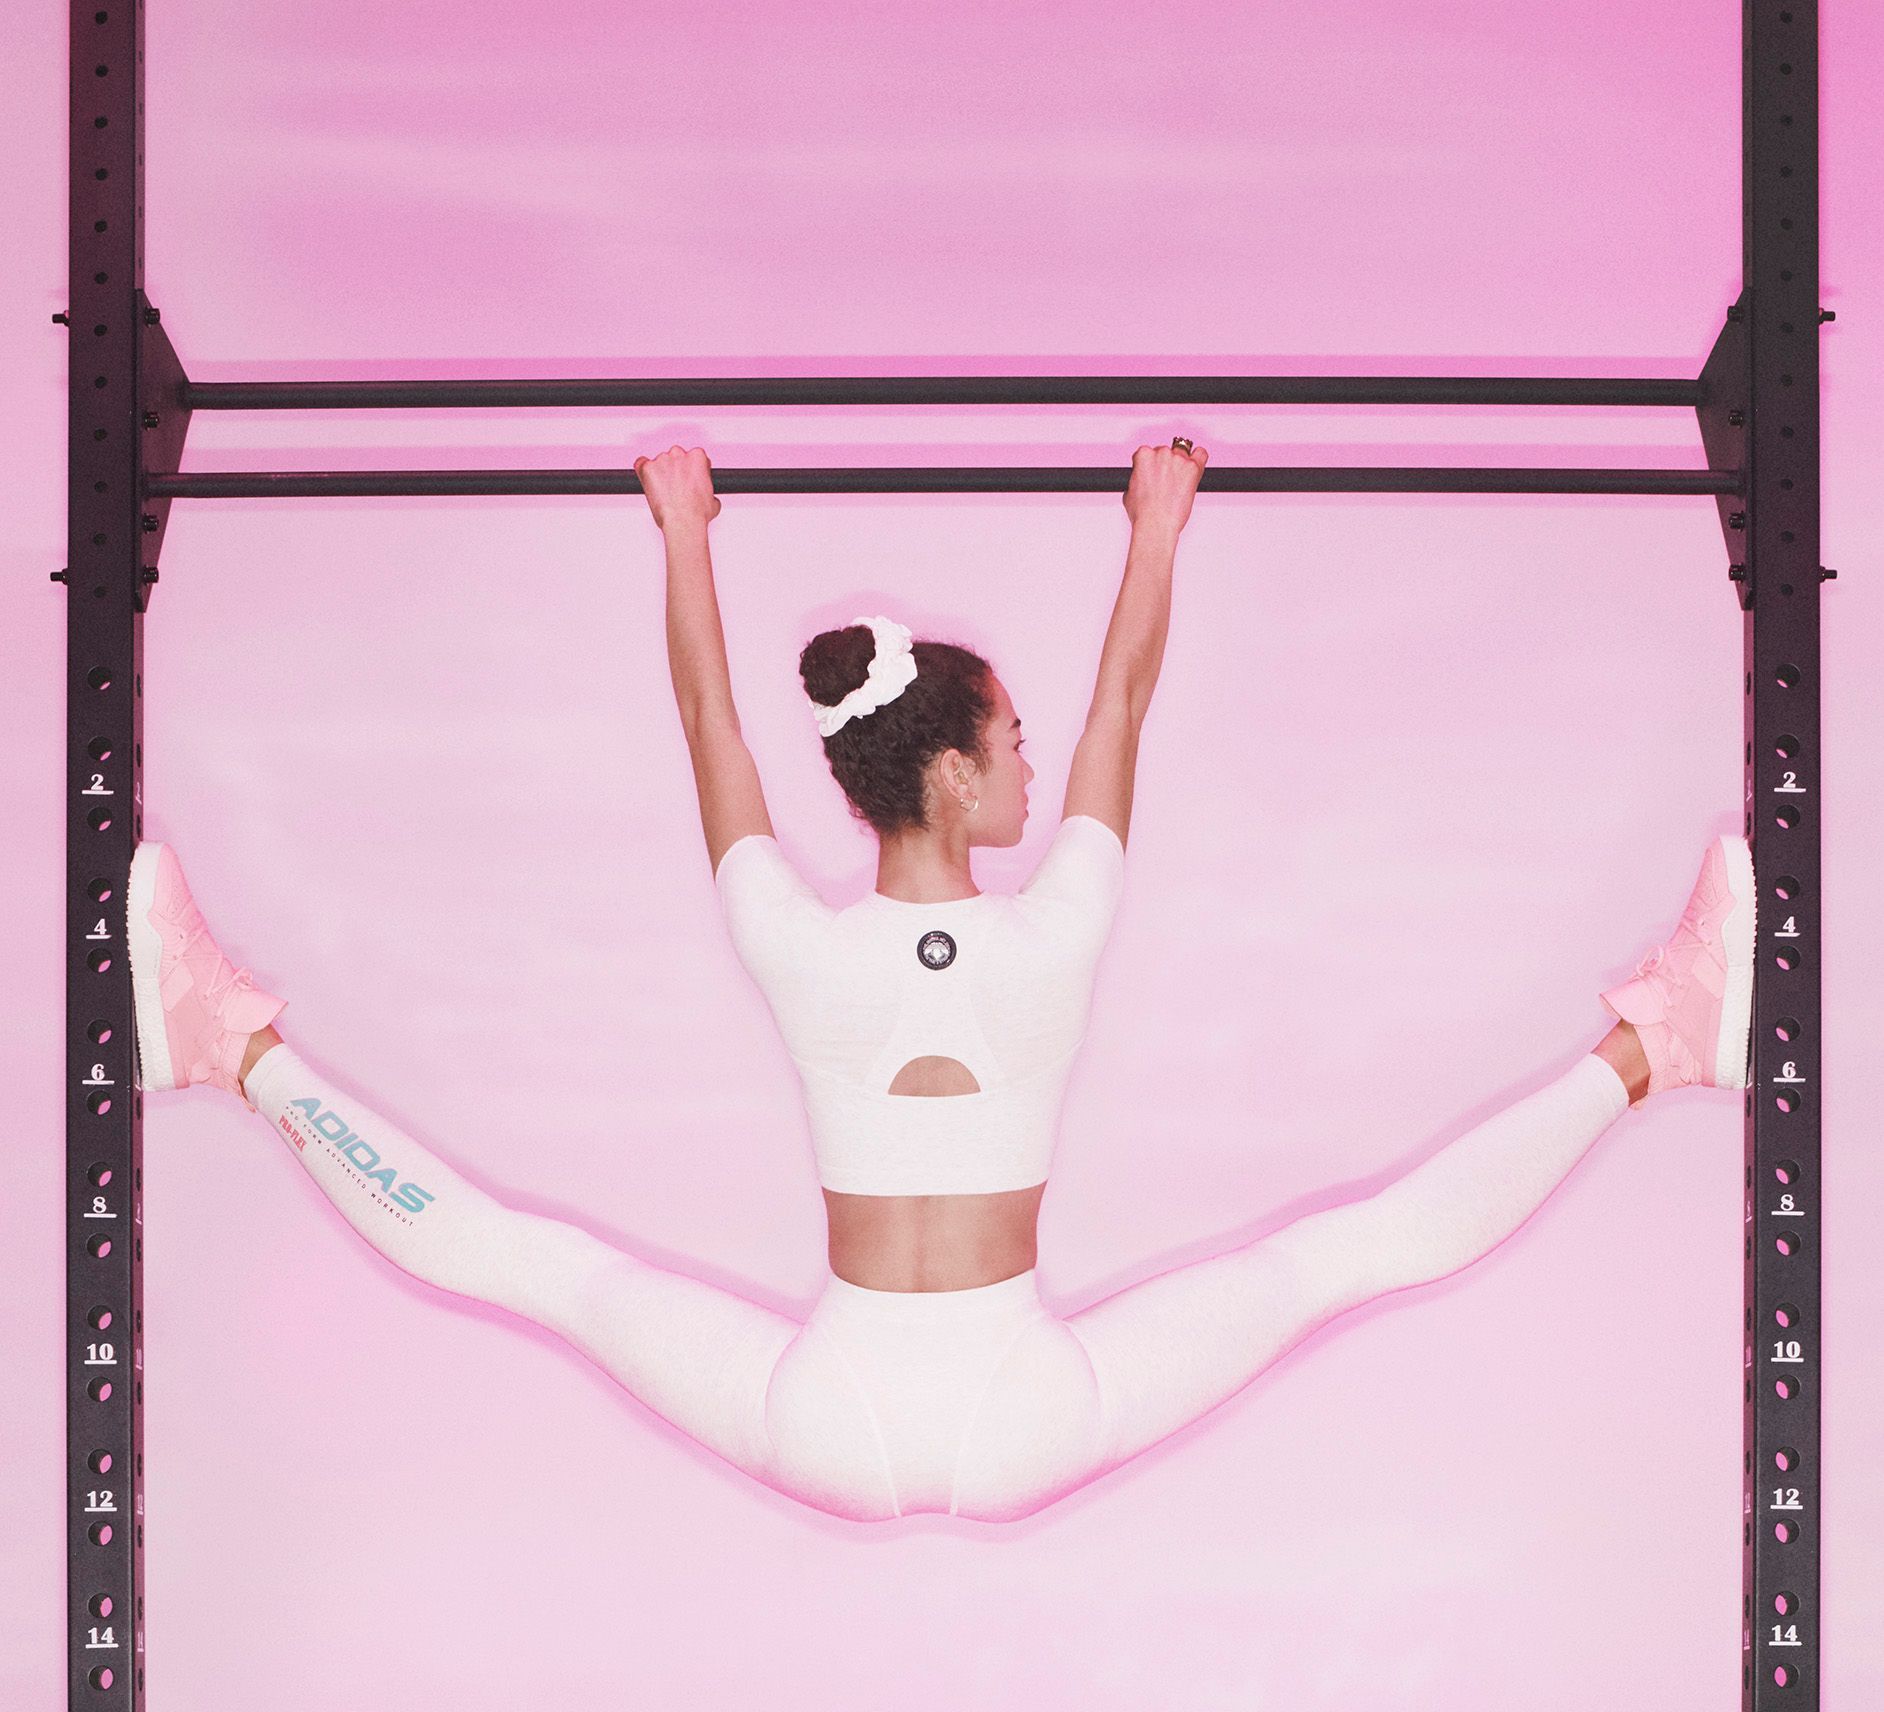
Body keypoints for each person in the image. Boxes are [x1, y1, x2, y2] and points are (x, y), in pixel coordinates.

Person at [123, 438, 1756, 1523]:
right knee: (1334, 1259)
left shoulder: (794, 936)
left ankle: (231, 1054)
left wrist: (683, 535)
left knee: (545, 1271)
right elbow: (1128, 701)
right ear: (960, 776)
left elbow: (708, 721)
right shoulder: (1059, 929)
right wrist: (1157, 531)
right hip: (1027, 1404)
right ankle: (1659, 1050)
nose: (1037, 758)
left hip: (829, 1410)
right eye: (1013, 742)